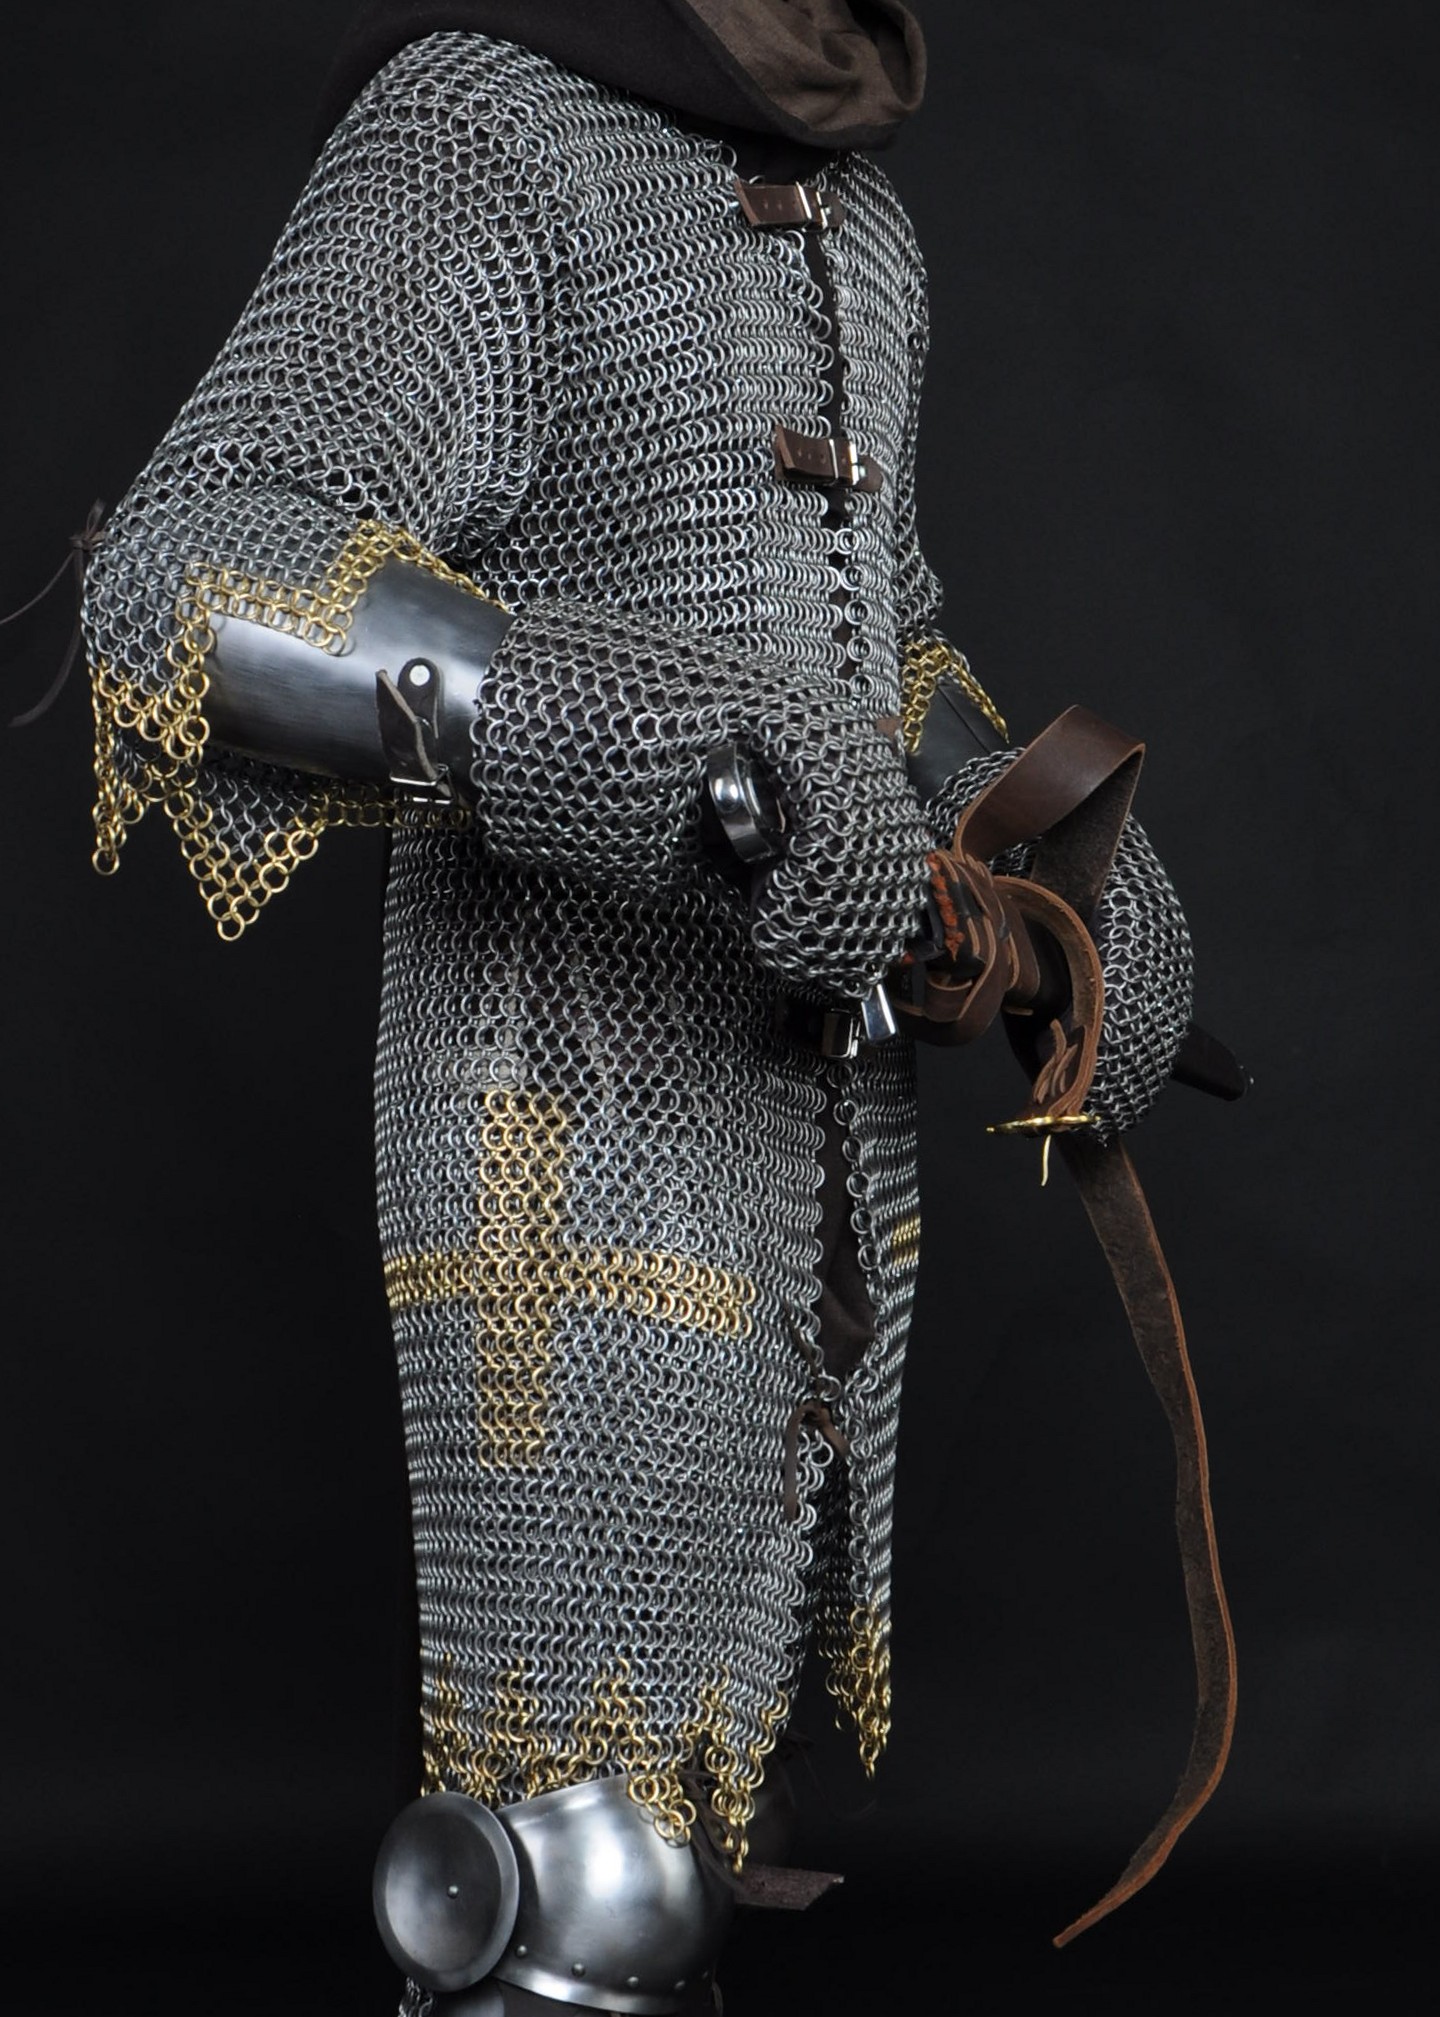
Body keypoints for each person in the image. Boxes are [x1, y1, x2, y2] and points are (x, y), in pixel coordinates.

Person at [80, 4, 1193, 2008]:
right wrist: (680, 746)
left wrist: (1032, 862)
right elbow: (196, 567)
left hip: (800, 1146)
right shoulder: (482, 128)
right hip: (557, 1127)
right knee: (577, 1883)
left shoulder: (861, 223)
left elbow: (881, 640)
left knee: (682, 1827)